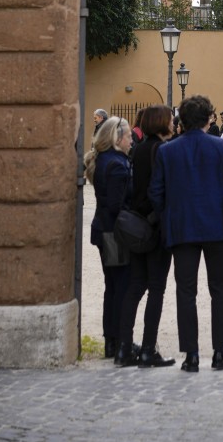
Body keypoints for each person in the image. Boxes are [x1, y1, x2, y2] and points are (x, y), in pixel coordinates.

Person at [149, 94, 223, 373]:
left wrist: (170, 217)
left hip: (183, 227)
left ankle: (191, 354)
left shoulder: (168, 151)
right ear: (208, 118)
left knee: (185, 292)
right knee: (221, 290)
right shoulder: (221, 147)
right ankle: (219, 352)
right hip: (218, 227)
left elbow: (156, 192)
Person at [115, 105, 175, 368]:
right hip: (156, 227)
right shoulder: (162, 150)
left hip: (138, 223)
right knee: (157, 289)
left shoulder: (138, 148)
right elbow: (162, 190)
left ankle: (123, 348)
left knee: (136, 287)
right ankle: (149, 349)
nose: (174, 123)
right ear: (162, 122)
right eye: (171, 119)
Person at [84, 116, 133, 360]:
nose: (132, 140)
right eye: (129, 137)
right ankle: (119, 341)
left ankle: (112, 342)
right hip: (114, 234)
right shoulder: (116, 164)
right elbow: (116, 204)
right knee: (120, 288)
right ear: (118, 138)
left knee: (112, 288)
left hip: (105, 230)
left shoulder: (105, 160)